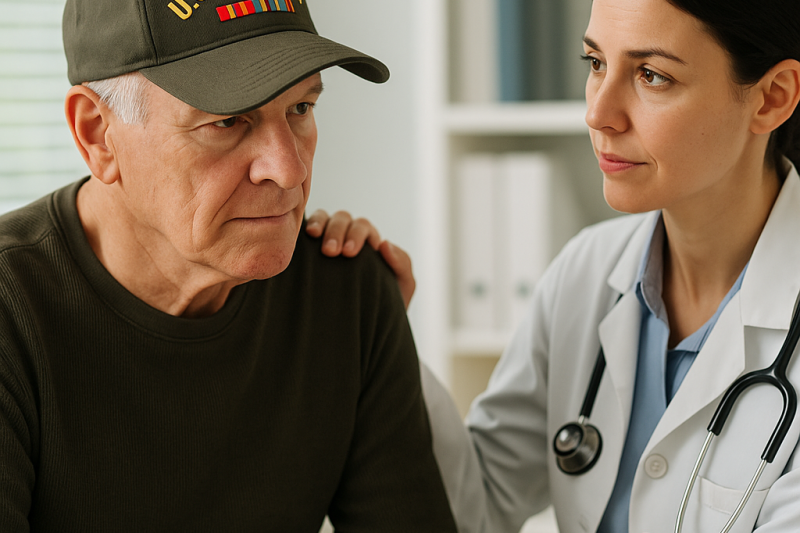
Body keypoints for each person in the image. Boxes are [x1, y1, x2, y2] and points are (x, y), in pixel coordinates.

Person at [317, 0, 800, 531]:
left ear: (771, 99)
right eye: (595, 63)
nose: (597, 113)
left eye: (651, 75)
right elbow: (478, 506)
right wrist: (381, 330)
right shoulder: (585, 272)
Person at [0, 1, 459, 531]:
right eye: (227, 121)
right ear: (98, 135)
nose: (288, 171)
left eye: (301, 109)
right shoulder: (14, 313)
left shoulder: (348, 292)